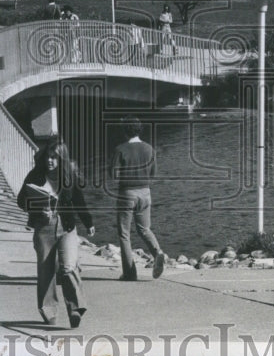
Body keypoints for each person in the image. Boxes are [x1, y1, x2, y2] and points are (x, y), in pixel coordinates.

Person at [17, 137, 94, 328]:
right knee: (46, 272)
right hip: (43, 227)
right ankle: (49, 311)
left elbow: (78, 200)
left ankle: (75, 308)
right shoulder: (35, 176)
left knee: (68, 268)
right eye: (48, 157)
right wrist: (36, 209)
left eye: (55, 157)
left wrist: (88, 222)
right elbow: (21, 200)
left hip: (66, 227)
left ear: (62, 159)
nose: (50, 160)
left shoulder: (69, 176)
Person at [111, 116, 166, 281]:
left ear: (124, 131)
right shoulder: (149, 149)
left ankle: (129, 273)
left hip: (127, 193)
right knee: (144, 229)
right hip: (145, 192)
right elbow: (154, 174)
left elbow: (113, 174)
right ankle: (158, 252)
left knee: (124, 234)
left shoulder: (120, 149)